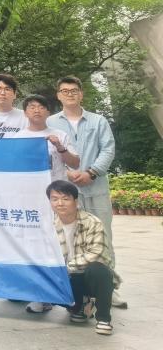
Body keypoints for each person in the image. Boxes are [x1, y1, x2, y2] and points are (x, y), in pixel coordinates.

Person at [46, 76, 124, 308]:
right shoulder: (50, 122)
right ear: (58, 95)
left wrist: (92, 172)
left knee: (103, 236)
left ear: (81, 94)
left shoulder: (98, 120)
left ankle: (108, 287)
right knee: (67, 238)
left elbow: (108, 149)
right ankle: (72, 287)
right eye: (64, 91)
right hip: (65, 191)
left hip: (95, 187)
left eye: (74, 90)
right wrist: (68, 173)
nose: (70, 94)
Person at [29, 180, 116, 335]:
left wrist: (65, 268)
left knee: (99, 270)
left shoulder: (92, 222)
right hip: (67, 278)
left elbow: (96, 253)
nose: (60, 203)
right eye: (54, 199)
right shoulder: (48, 225)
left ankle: (103, 318)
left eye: (65, 198)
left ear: (76, 201)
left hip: (87, 276)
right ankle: (80, 306)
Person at [15, 95, 79, 182]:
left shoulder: (61, 135)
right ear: (25, 113)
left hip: (56, 187)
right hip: (29, 186)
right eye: (32, 107)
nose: (37, 111)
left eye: (41, 107)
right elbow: (14, 166)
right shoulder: (18, 138)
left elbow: (75, 164)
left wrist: (60, 147)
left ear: (48, 113)